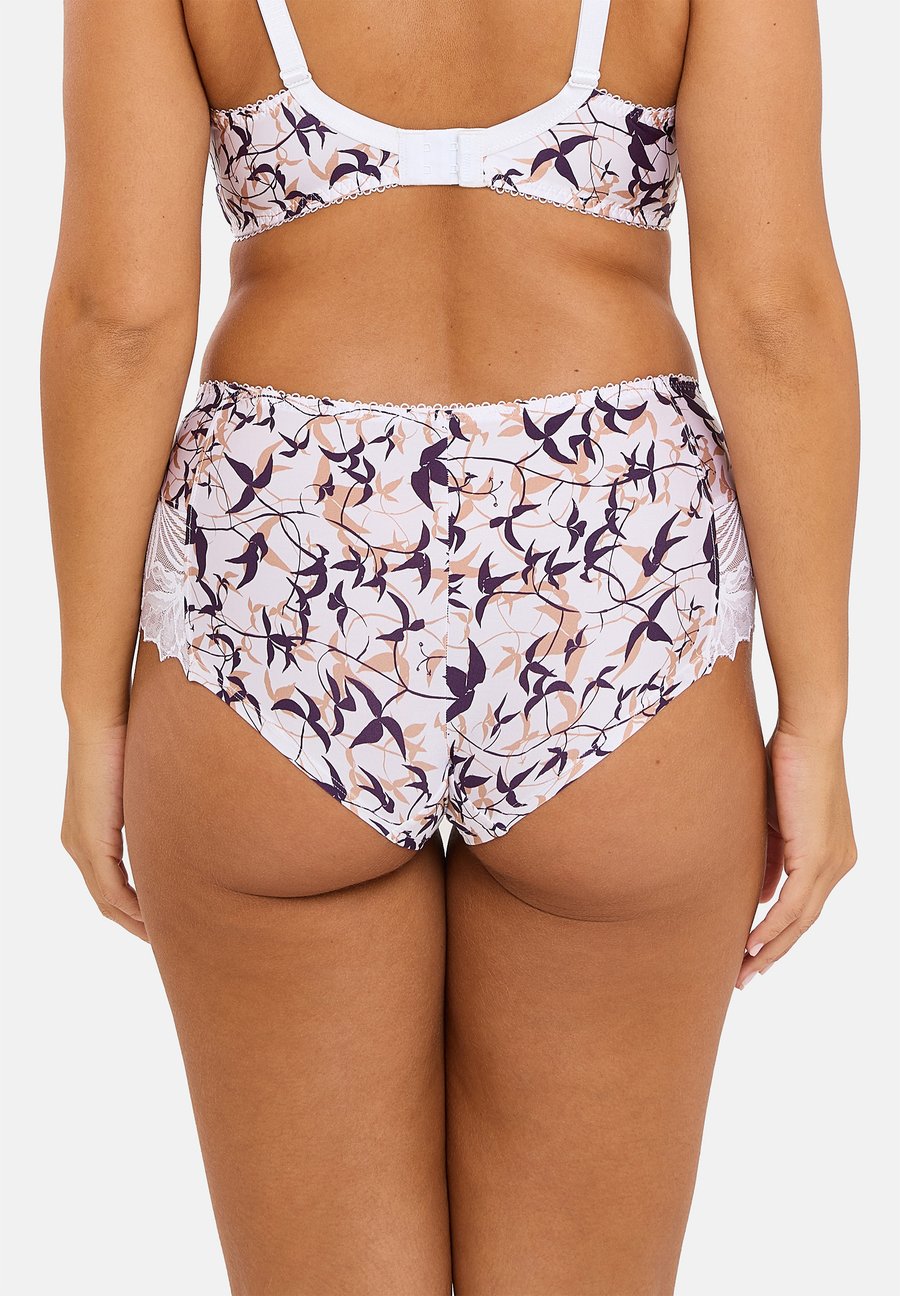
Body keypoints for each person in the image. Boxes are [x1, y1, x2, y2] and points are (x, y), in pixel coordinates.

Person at [41, 1, 858, 1291]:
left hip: (285, 572)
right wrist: (816, 715)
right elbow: (772, 315)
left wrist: (93, 712)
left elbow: (119, 318)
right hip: (608, 583)